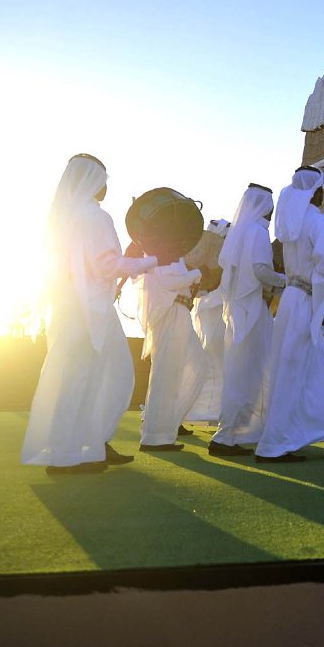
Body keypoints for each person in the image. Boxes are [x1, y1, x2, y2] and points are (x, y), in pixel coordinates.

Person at [22, 154, 157, 474]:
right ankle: (67, 455)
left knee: (87, 376)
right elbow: (106, 264)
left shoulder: (65, 216)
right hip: (87, 309)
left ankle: (88, 446)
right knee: (94, 376)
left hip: (72, 306)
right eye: (103, 179)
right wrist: (150, 262)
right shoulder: (94, 217)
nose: (106, 186)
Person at [257, 167, 324, 460]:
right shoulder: (317, 220)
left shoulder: (291, 223)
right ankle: (273, 446)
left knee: (319, 373)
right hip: (304, 301)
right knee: (292, 374)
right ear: (316, 191)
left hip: (292, 299)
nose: (323, 193)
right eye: (321, 188)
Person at [209, 185, 286, 456]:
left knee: (243, 373)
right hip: (251, 311)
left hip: (242, 310)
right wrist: (288, 282)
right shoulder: (257, 233)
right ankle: (226, 436)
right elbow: (261, 270)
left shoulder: (243, 233)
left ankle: (234, 435)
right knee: (248, 375)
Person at [137, 258, 218, 451]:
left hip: (181, 314)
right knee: (164, 374)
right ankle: (153, 436)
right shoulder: (159, 252)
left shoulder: (177, 256)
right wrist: (195, 273)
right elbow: (167, 283)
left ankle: (166, 426)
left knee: (199, 366)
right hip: (169, 314)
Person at [188, 218, 229, 424]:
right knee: (211, 362)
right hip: (211, 311)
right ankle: (199, 411)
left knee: (219, 364)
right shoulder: (202, 264)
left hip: (218, 311)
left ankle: (214, 412)